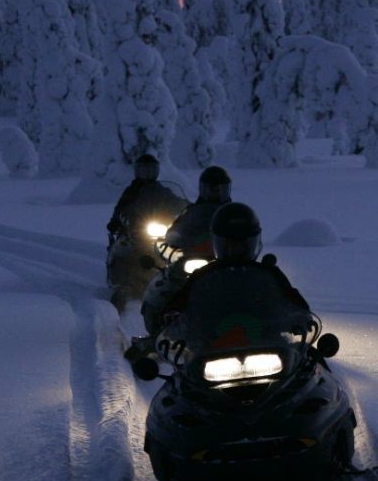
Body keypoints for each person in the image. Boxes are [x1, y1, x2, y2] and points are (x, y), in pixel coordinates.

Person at [155, 201, 314, 359]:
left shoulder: (268, 274)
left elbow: (295, 302)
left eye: (243, 245)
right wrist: (173, 319)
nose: (236, 251)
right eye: (230, 245)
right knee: (178, 380)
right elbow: (176, 305)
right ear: (217, 243)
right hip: (209, 354)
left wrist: (299, 317)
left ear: (254, 242)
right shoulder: (203, 277)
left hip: (268, 350)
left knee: (310, 364)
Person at [138, 165, 236, 335]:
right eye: (212, 189)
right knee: (167, 287)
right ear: (203, 189)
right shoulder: (191, 213)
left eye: (221, 189)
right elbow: (175, 233)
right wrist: (171, 247)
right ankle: (159, 331)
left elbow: (248, 234)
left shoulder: (234, 214)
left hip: (226, 263)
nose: (217, 193)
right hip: (193, 261)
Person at [105, 154, 187, 309]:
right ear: (137, 171)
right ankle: (121, 284)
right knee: (123, 249)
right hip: (136, 231)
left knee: (177, 252)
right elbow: (121, 209)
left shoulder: (162, 190)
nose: (147, 174)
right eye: (144, 170)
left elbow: (177, 202)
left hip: (159, 229)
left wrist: (188, 209)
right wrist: (117, 220)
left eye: (151, 170)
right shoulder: (131, 192)